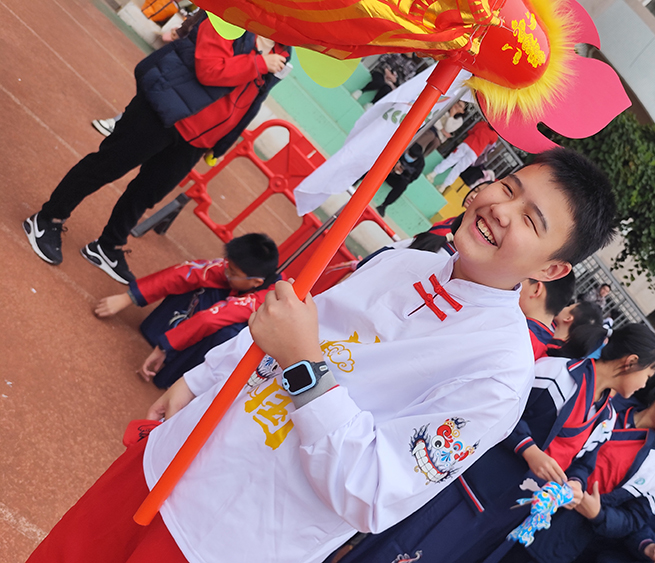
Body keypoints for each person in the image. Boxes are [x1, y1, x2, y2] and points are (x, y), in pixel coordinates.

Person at [26, 148, 619, 563]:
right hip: (177, 455)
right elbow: (283, 323)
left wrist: (304, 367)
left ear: (551, 269)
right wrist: (200, 380)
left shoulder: (499, 372)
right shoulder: (404, 260)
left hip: (228, 538)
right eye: (508, 188)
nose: (500, 209)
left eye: (530, 220)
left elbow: (373, 491)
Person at [336, 323, 655, 563]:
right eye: (647, 376)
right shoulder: (558, 375)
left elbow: (585, 462)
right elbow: (497, 409)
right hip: (468, 490)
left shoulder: (606, 415)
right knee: (400, 550)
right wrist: (529, 450)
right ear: (630, 362)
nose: (644, 386)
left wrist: (576, 484)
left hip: (509, 514)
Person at [24, 18, 290, 284]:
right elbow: (209, 71)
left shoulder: (283, 50)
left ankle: (108, 245)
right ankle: (48, 218)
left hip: (198, 138)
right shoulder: (229, 21)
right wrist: (259, 64)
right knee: (106, 166)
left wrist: (222, 143)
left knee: (147, 193)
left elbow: (253, 101)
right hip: (164, 110)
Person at [505, 372, 655, 563]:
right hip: (524, 489)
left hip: (559, 536)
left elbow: (634, 519)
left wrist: (598, 514)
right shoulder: (607, 407)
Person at [93, 233, 279, 389]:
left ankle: (182, 378)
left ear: (256, 282)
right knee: (202, 281)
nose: (226, 272)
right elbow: (188, 272)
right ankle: (159, 334)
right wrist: (128, 297)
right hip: (226, 309)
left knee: (227, 332)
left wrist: (165, 347)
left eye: (233, 273)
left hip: (242, 351)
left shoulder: (264, 299)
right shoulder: (240, 270)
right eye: (227, 266)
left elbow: (211, 319)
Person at [92, 11, 208, 138]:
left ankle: (123, 125)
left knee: (161, 94)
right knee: (151, 81)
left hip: (196, 59)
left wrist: (183, 31)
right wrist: (183, 30)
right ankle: (124, 123)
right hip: (190, 52)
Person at [519, 274, 577, 360]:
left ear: (536, 289)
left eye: (519, 281)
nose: (515, 286)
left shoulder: (517, 333)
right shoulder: (547, 347)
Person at [427, 120, 499, 190]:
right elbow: (490, 144)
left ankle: (433, 174)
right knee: (459, 169)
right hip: (475, 152)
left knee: (451, 159)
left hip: (467, 143)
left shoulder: (483, 123)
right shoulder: (495, 136)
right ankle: (443, 186)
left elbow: (472, 131)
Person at [375, 144, 426, 216]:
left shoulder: (420, 164)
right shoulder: (402, 149)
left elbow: (412, 178)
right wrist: (394, 165)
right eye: (409, 154)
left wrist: (402, 173)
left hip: (399, 178)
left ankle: (384, 205)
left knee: (403, 185)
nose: (410, 157)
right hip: (389, 169)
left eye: (412, 157)